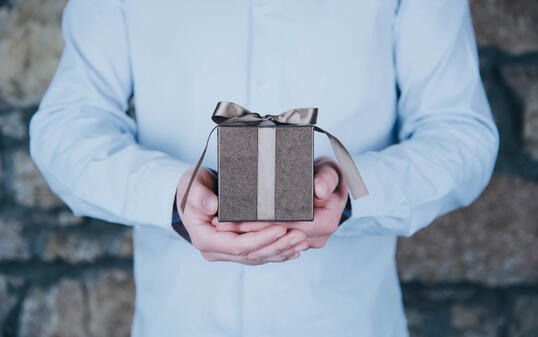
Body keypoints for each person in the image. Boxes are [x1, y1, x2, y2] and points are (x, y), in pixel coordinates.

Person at [29, 0, 499, 336]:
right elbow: (66, 129)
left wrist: (351, 194)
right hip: (176, 323)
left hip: (350, 323)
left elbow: (461, 132)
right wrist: (168, 196)